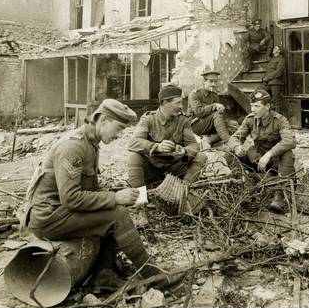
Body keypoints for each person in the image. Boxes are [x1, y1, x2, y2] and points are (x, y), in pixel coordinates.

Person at [20, 99, 178, 288]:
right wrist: (114, 198)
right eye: (118, 128)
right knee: (117, 215)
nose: (119, 135)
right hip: (49, 218)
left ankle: (104, 275)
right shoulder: (74, 147)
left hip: (60, 211)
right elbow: (71, 198)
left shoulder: (91, 143)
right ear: (103, 121)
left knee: (114, 208)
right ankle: (154, 276)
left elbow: (91, 189)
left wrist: (118, 196)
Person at [227, 89, 297, 212]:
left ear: (268, 106)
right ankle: (245, 188)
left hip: (275, 162)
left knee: (287, 152)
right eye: (251, 105)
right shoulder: (250, 119)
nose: (252, 109)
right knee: (231, 152)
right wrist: (237, 147)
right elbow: (234, 138)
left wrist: (269, 154)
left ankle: (279, 196)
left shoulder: (280, 120)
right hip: (257, 159)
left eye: (257, 106)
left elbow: (289, 141)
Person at [127, 84, 207, 188]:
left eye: (181, 103)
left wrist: (184, 151)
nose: (181, 106)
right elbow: (133, 143)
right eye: (177, 103)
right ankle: (139, 198)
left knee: (201, 157)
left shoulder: (183, 120)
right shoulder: (149, 119)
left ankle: (184, 190)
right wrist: (156, 147)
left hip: (174, 169)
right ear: (165, 103)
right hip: (152, 169)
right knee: (134, 157)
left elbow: (193, 145)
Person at [187, 70, 239, 150]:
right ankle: (229, 142)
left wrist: (221, 110)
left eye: (215, 82)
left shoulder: (214, 96)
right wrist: (214, 106)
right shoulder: (194, 94)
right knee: (216, 115)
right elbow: (199, 112)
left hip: (210, 124)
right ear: (204, 81)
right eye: (211, 81)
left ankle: (208, 140)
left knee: (234, 124)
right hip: (196, 125)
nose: (213, 84)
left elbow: (217, 114)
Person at [262, 45, 285, 113]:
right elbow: (268, 70)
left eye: (275, 48)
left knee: (276, 101)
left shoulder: (281, 60)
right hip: (268, 82)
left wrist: (267, 78)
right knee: (259, 93)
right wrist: (264, 79)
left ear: (279, 51)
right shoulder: (272, 59)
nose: (273, 49)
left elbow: (278, 72)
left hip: (276, 82)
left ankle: (278, 119)